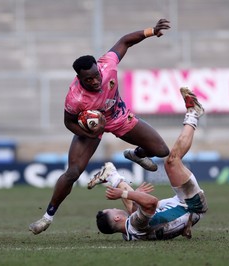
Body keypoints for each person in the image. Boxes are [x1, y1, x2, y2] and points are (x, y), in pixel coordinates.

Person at [29, 19, 171, 234]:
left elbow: (125, 41)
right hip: (91, 127)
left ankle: (136, 154)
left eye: (96, 76)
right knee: (73, 172)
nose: (95, 81)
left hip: (119, 117)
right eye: (89, 79)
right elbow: (68, 122)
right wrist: (89, 131)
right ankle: (47, 217)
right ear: (79, 78)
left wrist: (151, 31)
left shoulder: (107, 65)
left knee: (161, 151)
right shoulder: (75, 98)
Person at [89, 87, 208, 240]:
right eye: (112, 210)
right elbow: (152, 202)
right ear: (116, 218)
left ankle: (112, 176)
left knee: (134, 208)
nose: (114, 207)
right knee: (171, 161)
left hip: (187, 213)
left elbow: (141, 214)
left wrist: (135, 196)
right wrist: (125, 193)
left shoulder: (129, 235)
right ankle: (193, 113)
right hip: (191, 205)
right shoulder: (135, 224)